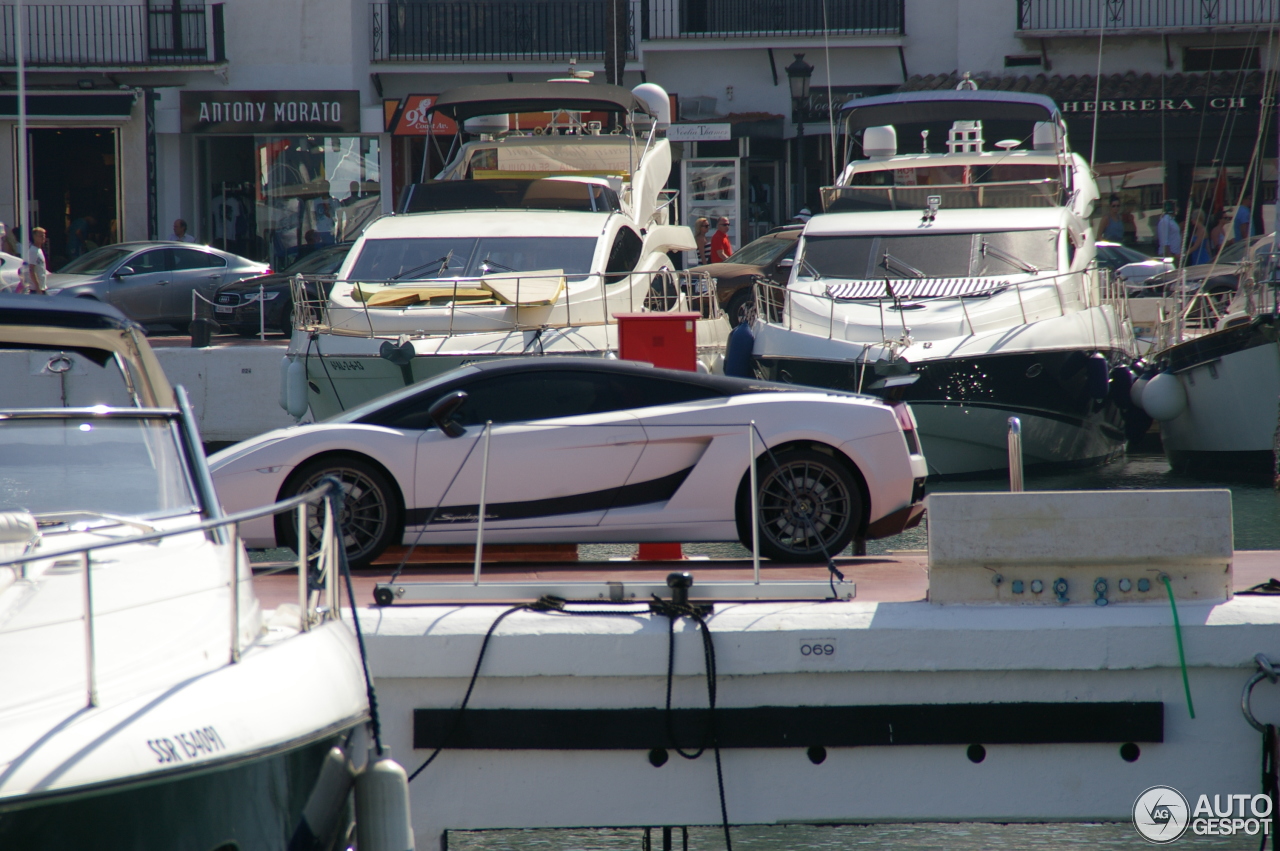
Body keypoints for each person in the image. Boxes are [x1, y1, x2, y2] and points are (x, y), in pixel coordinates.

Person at [21, 227, 48, 294]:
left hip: (42, 287)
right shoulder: (33, 251)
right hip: (35, 289)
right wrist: (37, 287)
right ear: (35, 237)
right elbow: (31, 270)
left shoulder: (39, 250)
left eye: (44, 236)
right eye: (41, 236)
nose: (43, 237)